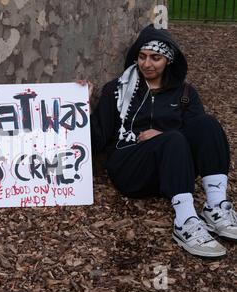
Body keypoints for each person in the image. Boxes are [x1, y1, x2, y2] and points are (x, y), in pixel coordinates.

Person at [85, 24, 236, 258]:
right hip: (130, 168)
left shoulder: (185, 93)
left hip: (173, 172)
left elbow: (199, 138)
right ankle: (184, 221)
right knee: (174, 139)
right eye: (142, 57)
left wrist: (163, 136)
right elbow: (96, 139)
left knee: (208, 124)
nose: (147, 64)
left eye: (155, 58)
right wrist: (81, 107)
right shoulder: (116, 90)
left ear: (168, 61)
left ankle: (216, 207)